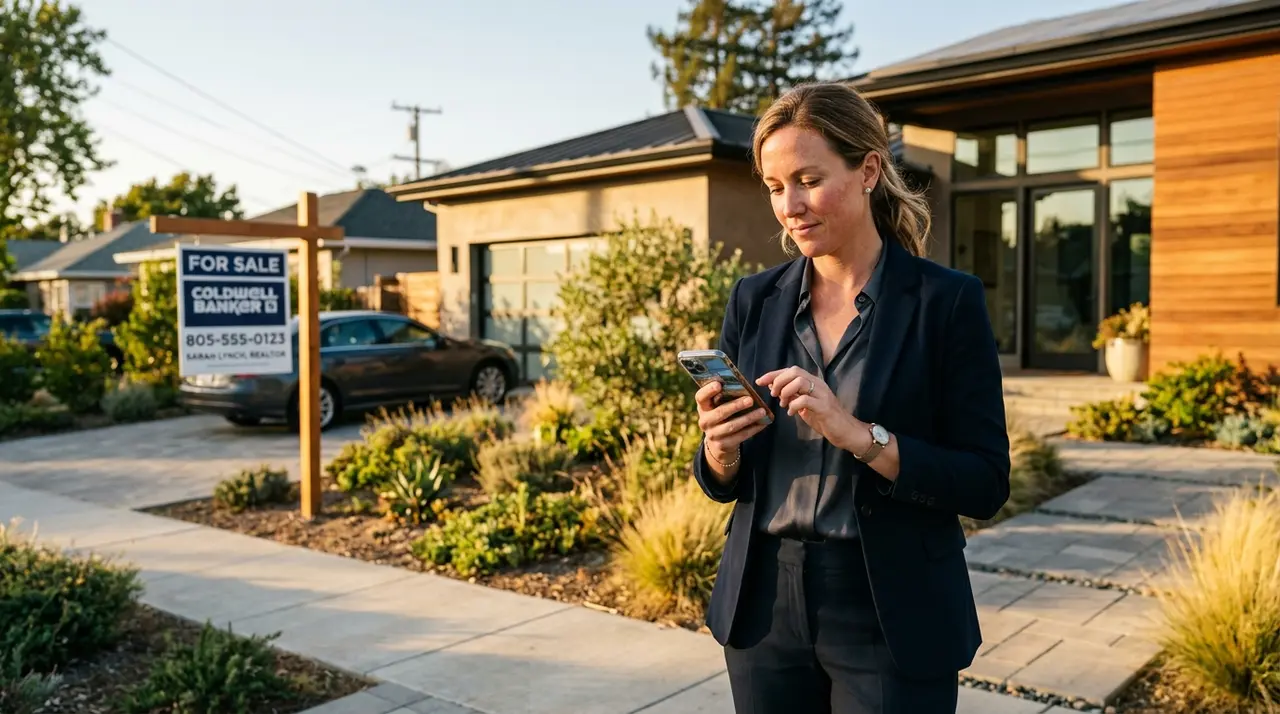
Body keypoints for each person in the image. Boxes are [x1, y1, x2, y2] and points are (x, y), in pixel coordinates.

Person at [691, 81, 1011, 714]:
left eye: (808, 179)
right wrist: (720, 450)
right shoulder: (752, 301)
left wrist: (861, 436)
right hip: (763, 608)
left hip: (892, 607)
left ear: (869, 170)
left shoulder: (945, 302)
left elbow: (984, 481)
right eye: (775, 187)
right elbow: (722, 480)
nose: (790, 206)